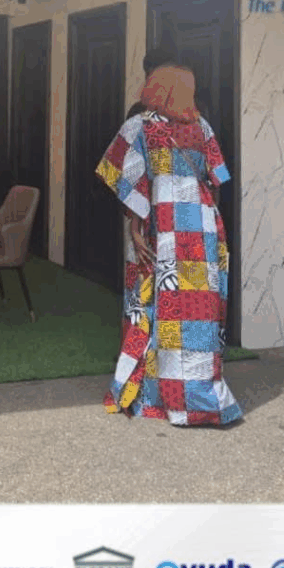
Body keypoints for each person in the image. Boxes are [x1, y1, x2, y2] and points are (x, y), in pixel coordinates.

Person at [95, 62, 242, 427]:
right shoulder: (202, 127)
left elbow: (123, 178)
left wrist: (134, 229)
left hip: (160, 229)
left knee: (155, 309)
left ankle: (155, 396)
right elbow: (218, 181)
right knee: (198, 316)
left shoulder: (138, 126)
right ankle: (202, 400)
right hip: (203, 231)